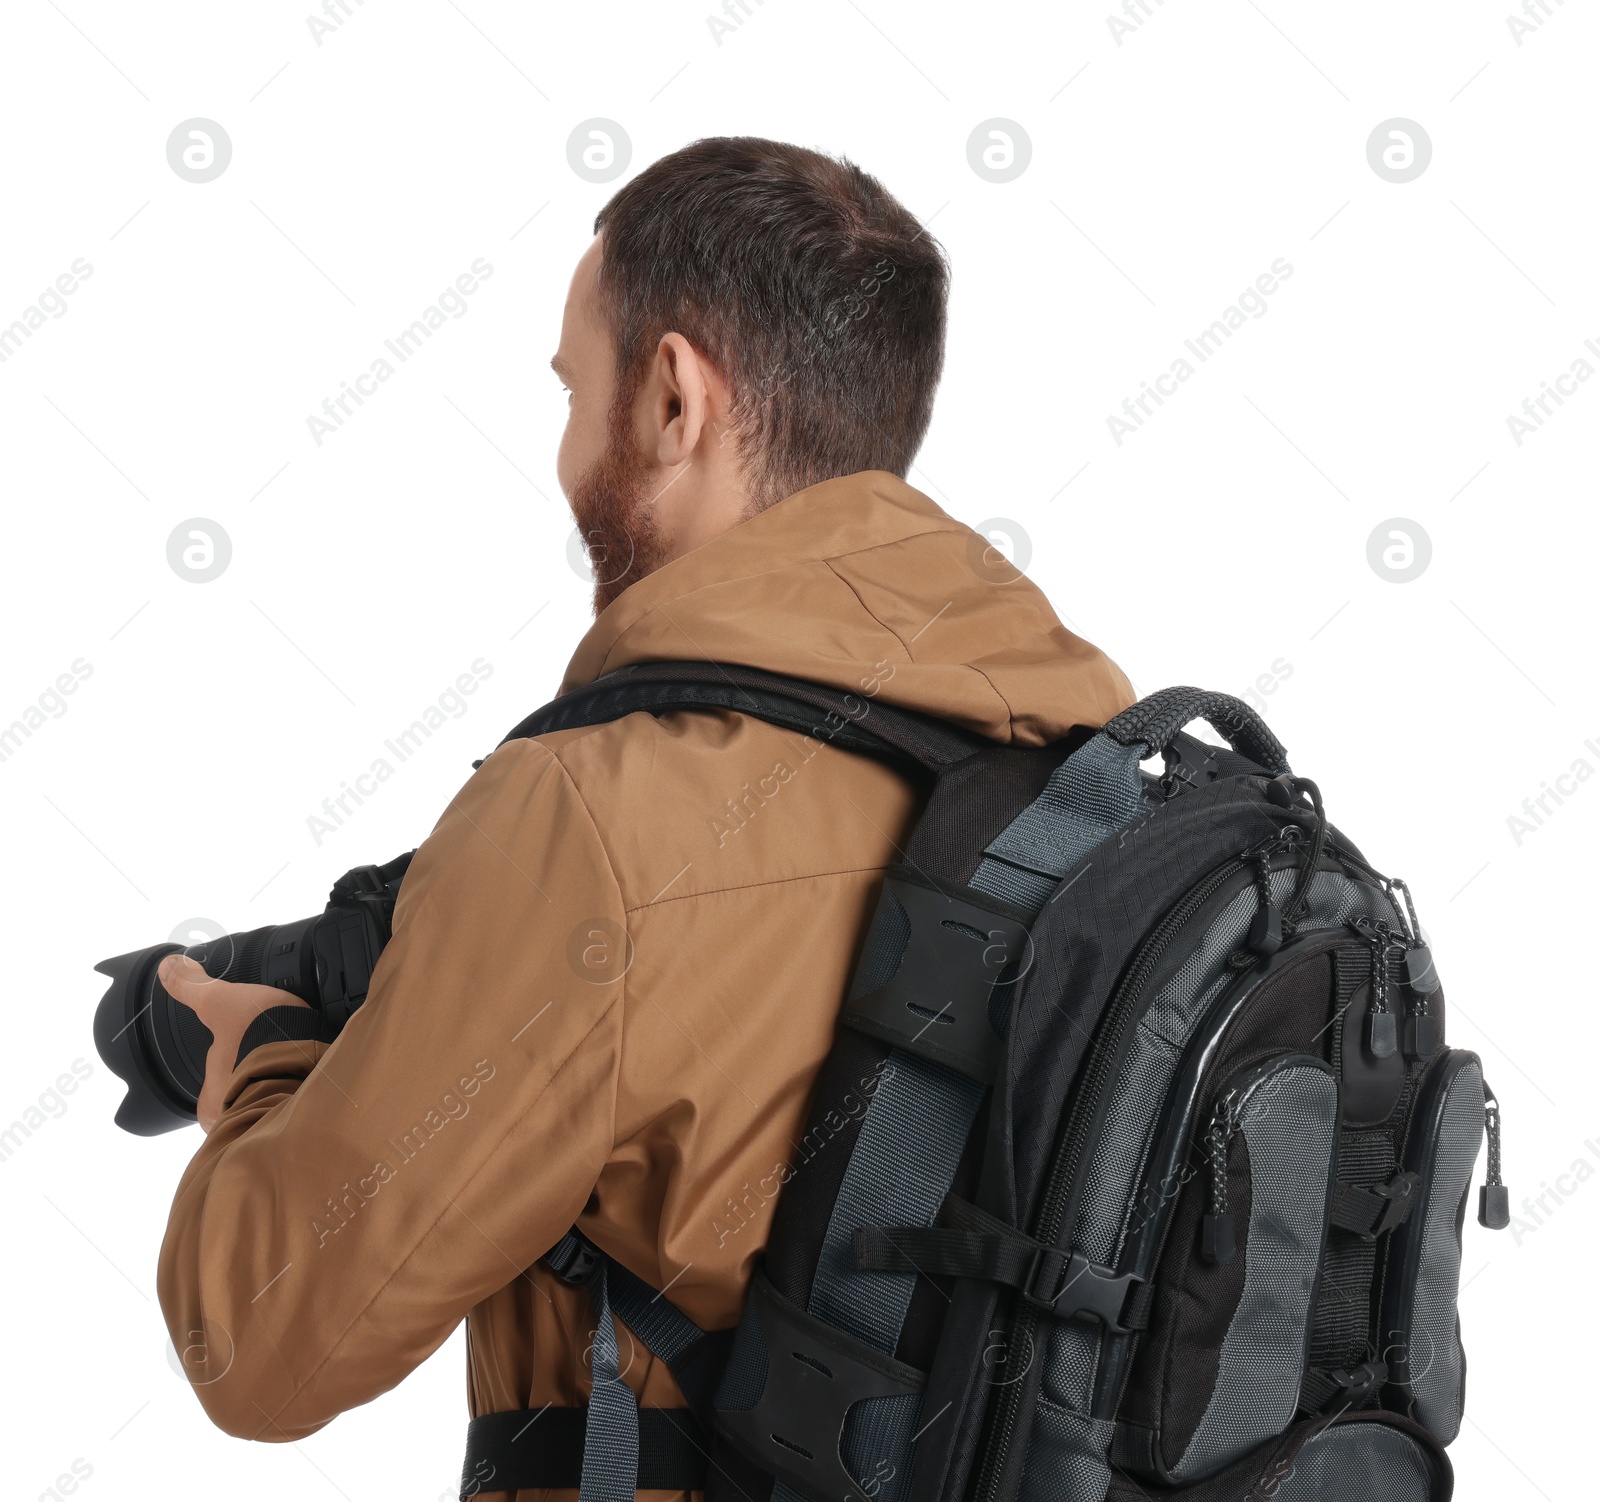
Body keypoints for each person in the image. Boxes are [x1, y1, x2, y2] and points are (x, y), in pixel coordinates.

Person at [156, 135, 1135, 1500]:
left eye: (576, 387)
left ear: (674, 397)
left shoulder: (598, 818)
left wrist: (256, 1060)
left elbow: (260, 1338)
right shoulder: (1098, 779)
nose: (566, 448)